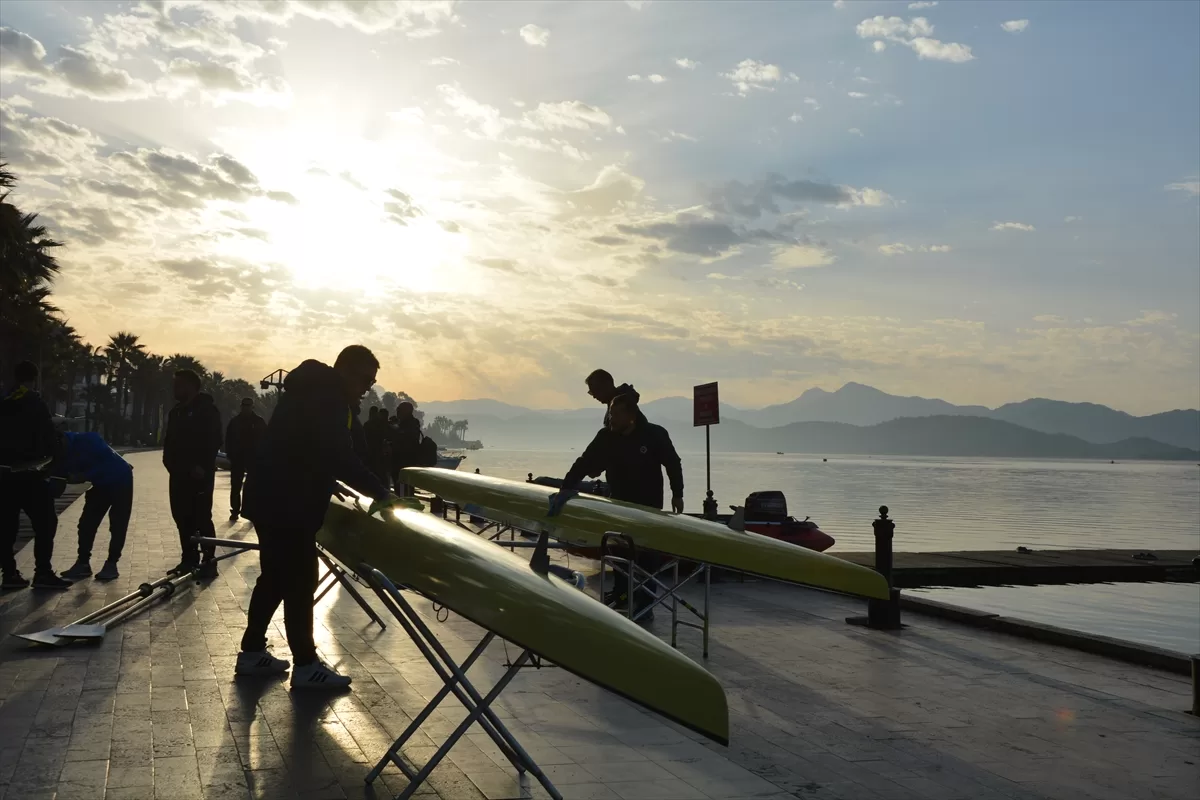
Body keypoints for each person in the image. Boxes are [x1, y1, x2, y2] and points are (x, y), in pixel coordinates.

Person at [237, 345, 394, 690]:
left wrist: (329, 481)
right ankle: (306, 665)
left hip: (271, 496)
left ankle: (251, 653)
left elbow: (310, 449)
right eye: (366, 380)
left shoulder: (310, 390)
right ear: (346, 371)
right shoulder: (328, 397)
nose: (368, 388)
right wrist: (381, 492)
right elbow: (337, 453)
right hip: (287, 501)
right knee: (300, 579)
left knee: (275, 577)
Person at [549, 393, 683, 622]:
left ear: (631, 415)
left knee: (646, 556)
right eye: (610, 413)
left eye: (616, 414)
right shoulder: (606, 437)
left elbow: (673, 462)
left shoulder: (654, 434)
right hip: (618, 503)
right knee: (620, 552)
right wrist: (565, 488)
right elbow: (585, 461)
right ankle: (622, 596)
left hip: (648, 506)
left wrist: (678, 494)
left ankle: (646, 603)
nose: (611, 418)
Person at [0, 361, 70, 590]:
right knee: (46, 522)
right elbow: (47, 436)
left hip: (4, 474)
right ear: (34, 378)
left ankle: (9, 574)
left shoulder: (5, 399)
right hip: (29, 473)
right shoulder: (34, 401)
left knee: (7, 526)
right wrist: (57, 467)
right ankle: (43, 573)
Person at [163, 369, 223, 580]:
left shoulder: (207, 410)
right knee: (182, 517)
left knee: (202, 518)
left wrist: (202, 467)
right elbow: (169, 441)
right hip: (178, 475)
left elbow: (214, 440)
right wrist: (169, 463)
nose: (175, 389)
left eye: (178, 385)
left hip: (199, 476)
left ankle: (209, 560)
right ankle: (188, 559)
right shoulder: (176, 412)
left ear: (190, 386)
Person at [58, 431, 134, 582]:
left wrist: (84, 476)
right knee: (87, 523)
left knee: (118, 524)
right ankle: (83, 563)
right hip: (100, 483)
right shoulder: (61, 450)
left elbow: (104, 462)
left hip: (121, 479)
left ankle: (112, 563)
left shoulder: (89, 439)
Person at [224, 397, 265, 521]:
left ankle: (252, 510)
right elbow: (228, 440)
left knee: (253, 486)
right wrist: (230, 455)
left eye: (248, 406)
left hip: (254, 459)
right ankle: (235, 510)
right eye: (244, 406)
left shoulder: (258, 422)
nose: (246, 408)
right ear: (241, 407)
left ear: (252, 407)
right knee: (236, 486)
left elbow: (266, 439)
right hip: (238, 458)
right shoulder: (235, 422)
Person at [387, 401, 422, 495]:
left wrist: (394, 428)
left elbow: (405, 438)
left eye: (399, 410)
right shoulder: (404, 423)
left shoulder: (411, 424)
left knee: (406, 488)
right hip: (399, 461)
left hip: (405, 462)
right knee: (400, 487)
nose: (397, 412)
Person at [362, 406, 390, 486]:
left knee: (376, 476)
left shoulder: (368, 425)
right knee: (382, 477)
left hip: (372, 455)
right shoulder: (382, 426)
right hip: (379, 456)